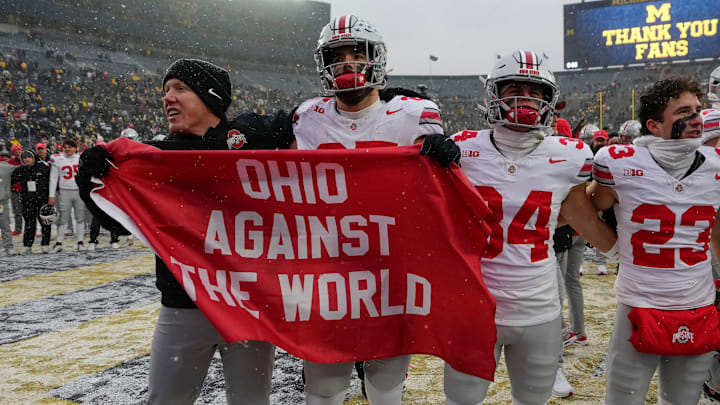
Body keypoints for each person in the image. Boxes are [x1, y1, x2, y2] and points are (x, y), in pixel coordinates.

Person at [77, 58, 295, 405]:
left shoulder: (249, 136)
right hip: (183, 305)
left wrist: (403, 103)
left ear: (210, 96)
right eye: (165, 90)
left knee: (252, 402)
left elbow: (322, 114)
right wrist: (89, 184)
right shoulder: (155, 155)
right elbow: (118, 225)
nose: (167, 98)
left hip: (247, 305)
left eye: (180, 88)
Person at [289, 14, 456, 405]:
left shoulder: (415, 116)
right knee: (323, 389)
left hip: (389, 274)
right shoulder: (307, 117)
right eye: (336, 55)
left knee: (384, 390)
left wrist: (448, 161)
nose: (346, 63)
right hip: (328, 273)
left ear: (375, 58)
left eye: (355, 53)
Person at [443, 50, 617, 405]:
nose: (525, 98)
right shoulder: (462, 148)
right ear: (494, 95)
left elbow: (580, 209)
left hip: (538, 308)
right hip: (475, 306)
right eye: (515, 88)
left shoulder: (571, 155)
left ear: (549, 100)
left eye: (535, 91)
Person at [588, 76, 720, 404]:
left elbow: (717, 231)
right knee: (622, 400)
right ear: (654, 125)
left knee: (682, 401)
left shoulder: (715, 167)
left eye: (698, 110)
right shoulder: (619, 162)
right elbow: (589, 207)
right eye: (683, 111)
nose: (695, 118)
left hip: (697, 304)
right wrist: (613, 247)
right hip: (639, 305)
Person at [48, 139, 86, 252]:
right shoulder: (57, 159)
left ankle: (80, 241)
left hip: (79, 191)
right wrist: (51, 195)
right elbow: (53, 178)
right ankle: (59, 242)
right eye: (66, 147)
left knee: (80, 217)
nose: (68, 149)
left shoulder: (82, 158)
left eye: (70, 147)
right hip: (64, 191)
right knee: (63, 218)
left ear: (75, 148)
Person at [11, 150, 51, 254]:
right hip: (27, 201)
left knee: (45, 223)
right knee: (29, 224)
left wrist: (51, 197)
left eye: (29, 157)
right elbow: (10, 181)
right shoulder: (20, 170)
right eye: (24, 158)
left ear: (33, 157)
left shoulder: (44, 168)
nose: (27, 159)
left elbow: (52, 181)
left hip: (42, 200)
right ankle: (27, 245)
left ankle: (45, 244)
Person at [0, 150, 16, 255]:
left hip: (2, 202)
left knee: (5, 225)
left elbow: (20, 168)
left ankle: (8, 246)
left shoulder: (5, 167)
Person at [9, 144, 23, 236]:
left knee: (29, 211)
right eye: (16, 152)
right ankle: (18, 229)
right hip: (15, 190)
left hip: (26, 190)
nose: (18, 153)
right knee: (17, 211)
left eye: (19, 152)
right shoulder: (10, 162)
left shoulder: (27, 160)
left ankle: (32, 229)